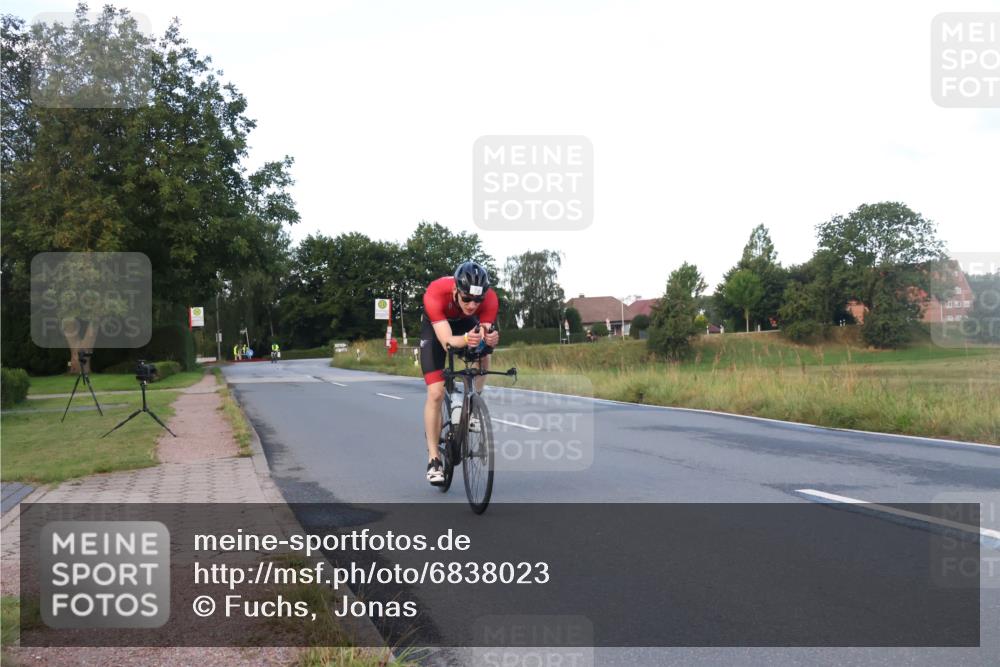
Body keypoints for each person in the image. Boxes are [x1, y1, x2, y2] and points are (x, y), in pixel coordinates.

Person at [420, 261, 500, 485]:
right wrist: (466, 339)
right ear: (456, 290)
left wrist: (491, 339)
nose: (472, 305)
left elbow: (485, 336)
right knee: (436, 392)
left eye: (477, 300)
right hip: (437, 328)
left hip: (465, 324)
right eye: (466, 299)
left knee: (484, 353)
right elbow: (447, 342)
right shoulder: (435, 293)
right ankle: (434, 459)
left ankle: (473, 405)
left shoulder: (490, 299)